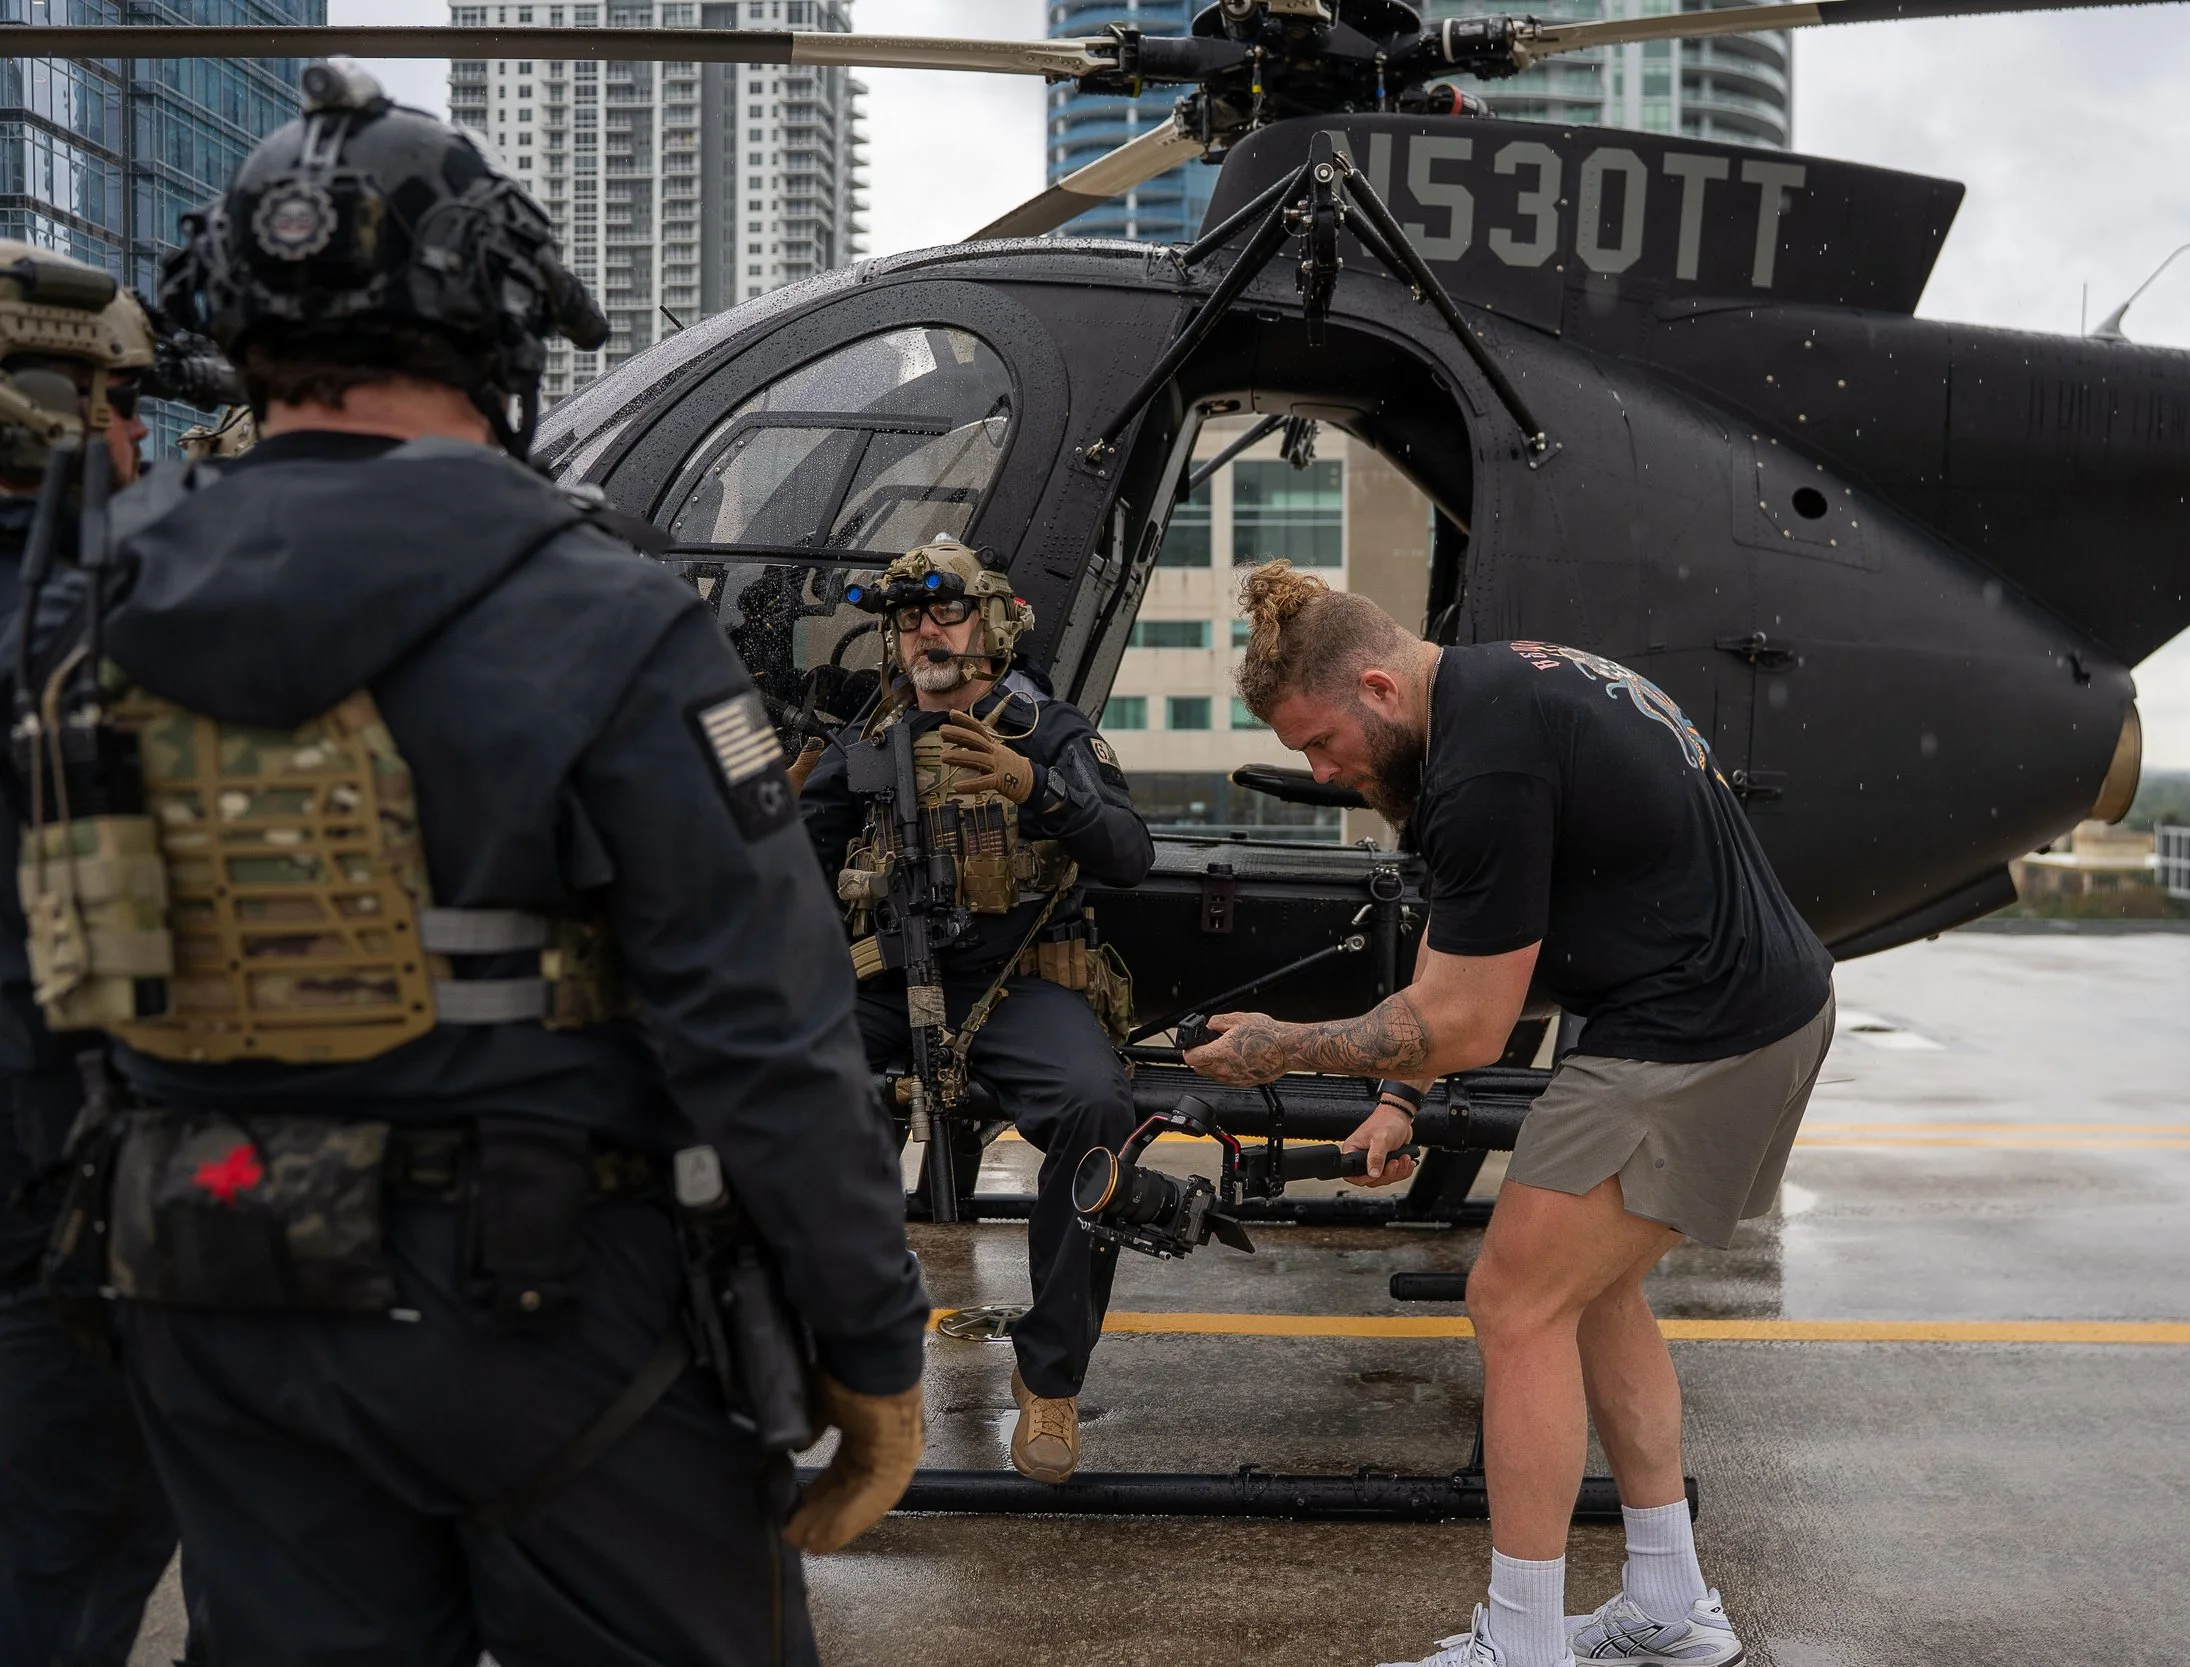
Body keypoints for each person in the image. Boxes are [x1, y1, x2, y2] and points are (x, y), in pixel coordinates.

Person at [23, 64, 928, 1665]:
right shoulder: (609, 616)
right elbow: (764, 1024)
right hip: (543, 1307)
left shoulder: (85, 610)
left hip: (209, 1274)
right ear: (499, 317)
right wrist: (868, 1335)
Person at [1188, 564, 1837, 1667]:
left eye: (1322, 741)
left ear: (1381, 689)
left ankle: (1526, 1646)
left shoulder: (1480, 766)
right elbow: (1499, 956)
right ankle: (1672, 1607)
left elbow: (1464, 1020)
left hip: (1695, 1031)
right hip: (1752, 1005)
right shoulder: (1505, 690)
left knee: (1514, 1300)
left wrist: (1279, 1049)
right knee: (1591, 1290)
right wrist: (1400, 1091)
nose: (1324, 771)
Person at [799, 537, 1154, 1483]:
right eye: (909, 618)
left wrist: (1037, 786)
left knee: (1097, 1108)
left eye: (944, 613)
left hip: (1019, 987)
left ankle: (1050, 1380)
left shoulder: (1045, 727)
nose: (925, 633)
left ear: (990, 627)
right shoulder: (868, 744)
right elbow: (789, 864)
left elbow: (1129, 849)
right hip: (885, 981)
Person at [0, 241, 193, 1667]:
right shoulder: (111, 621)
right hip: (53, 1158)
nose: (141, 437)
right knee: (72, 1539)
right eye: (120, 405)